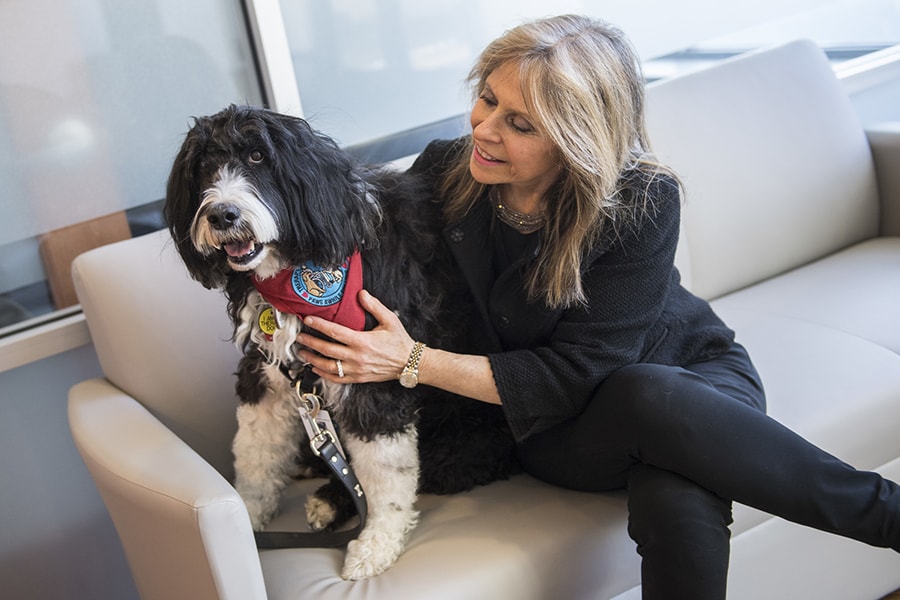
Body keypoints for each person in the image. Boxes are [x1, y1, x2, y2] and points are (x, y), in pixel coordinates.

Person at [295, 14, 900, 599]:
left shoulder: (642, 200)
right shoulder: (445, 173)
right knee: (639, 395)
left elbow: (583, 366)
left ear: (577, 139)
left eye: (520, 124)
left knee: (677, 496)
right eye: (486, 99)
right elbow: (350, 240)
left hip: (700, 383)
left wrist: (414, 361)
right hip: (566, 429)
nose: (483, 127)